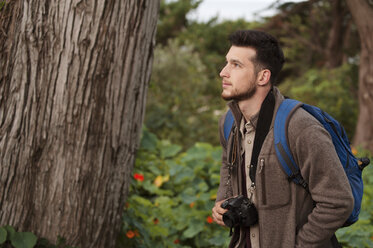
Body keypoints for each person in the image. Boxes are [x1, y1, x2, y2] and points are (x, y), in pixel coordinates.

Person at [211, 30, 354, 248]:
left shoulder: (301, 128)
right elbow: (227, 165)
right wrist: (223, 200)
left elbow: (338, 202)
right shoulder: (228, 123)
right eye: (226, 63)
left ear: (263, 77)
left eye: (236, 65)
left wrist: (301, 244)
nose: (223, 72)